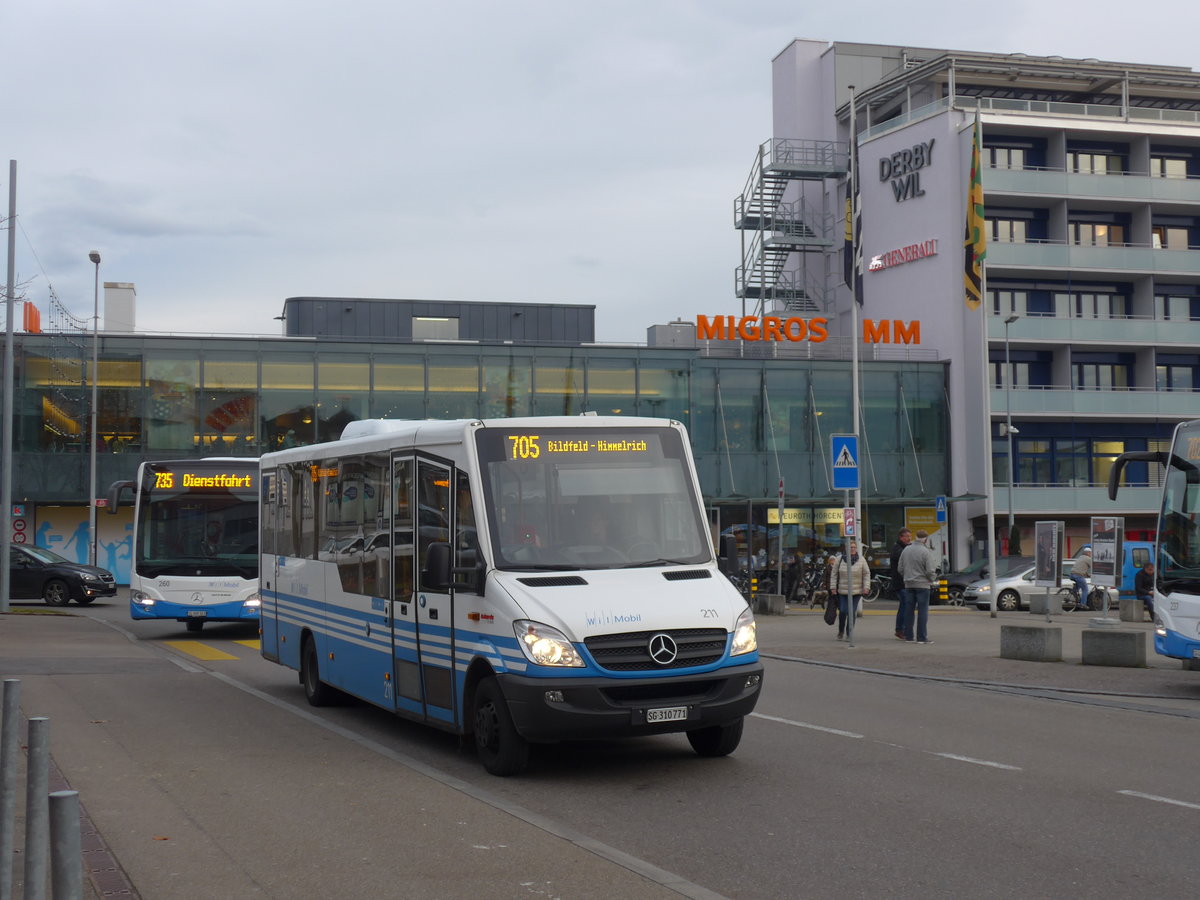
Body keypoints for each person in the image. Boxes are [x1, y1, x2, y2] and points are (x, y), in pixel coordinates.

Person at [898, 529, 937, 644]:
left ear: (916, 537)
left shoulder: (906, 549)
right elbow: (930, 570)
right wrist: (932, 579)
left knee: (909, 611)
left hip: (909, 584)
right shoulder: (925, 551)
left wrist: (907, 576)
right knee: (922, 611)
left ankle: (909, 636)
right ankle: (921, 637)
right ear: (925, 539)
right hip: (923, 585)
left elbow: (900, 568)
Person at [830, 540, 870, 642]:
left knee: (852, 612)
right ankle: (841, 631)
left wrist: (866, 587)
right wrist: (833, 587)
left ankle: (849, 633)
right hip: (843, 591)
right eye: (850, 547)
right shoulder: (839, 559)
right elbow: (834, 574)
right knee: (843, 611)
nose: (852, 549)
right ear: (846, 548)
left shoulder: (861, 559)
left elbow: (866, 574)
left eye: (854, 547)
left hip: (856, 591)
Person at [888, 528, 913, 640]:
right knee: (905, 605)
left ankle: (903, 629)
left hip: (906, 582)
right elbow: (903, 559)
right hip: (900, 582)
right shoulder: (897, 549)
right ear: (901, 537)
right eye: (907, 536)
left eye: (910, 536)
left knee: (905, 605)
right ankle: (900, 629)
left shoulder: (905, 547)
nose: (909, 538)